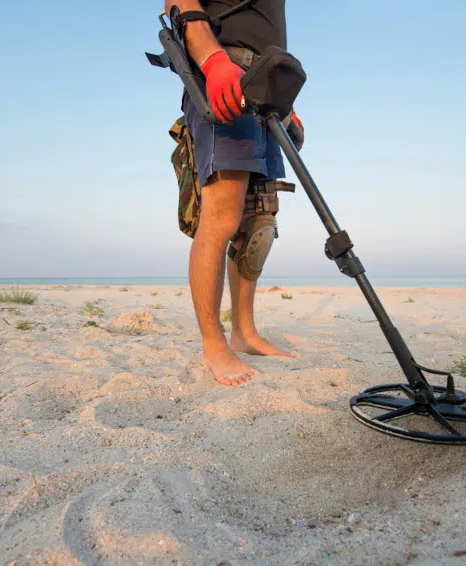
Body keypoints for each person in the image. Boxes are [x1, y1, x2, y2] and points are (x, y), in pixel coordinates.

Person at [163, 0, 303, 386]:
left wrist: (286, 104)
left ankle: (244, 332)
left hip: (265, 83)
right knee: (223, 215)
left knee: (259, 221)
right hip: (226, 73)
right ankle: (213, 344)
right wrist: (213, 61)